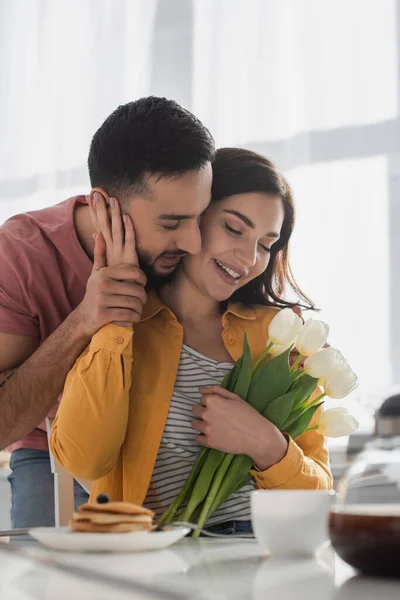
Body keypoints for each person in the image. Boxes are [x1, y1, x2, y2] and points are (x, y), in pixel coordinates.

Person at [51, 148, 332, 534]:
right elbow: (85, 460)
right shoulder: (121, 330)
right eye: (234, 229)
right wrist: (117, 320)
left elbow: (319, 493)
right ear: (193, 220)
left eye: (266, 244)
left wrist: (266, 444)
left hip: (260, 550)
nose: (249, 258)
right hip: (155, 560)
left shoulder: (284, 339)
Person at [0, 97, 215, 527]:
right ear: (103, 205)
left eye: (200, 216)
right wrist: (83, 321)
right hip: (49, 452)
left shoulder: (199, 245)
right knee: (43, 581)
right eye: (171, 224)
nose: (194, 242)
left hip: (169, 441)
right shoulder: (21, 254)